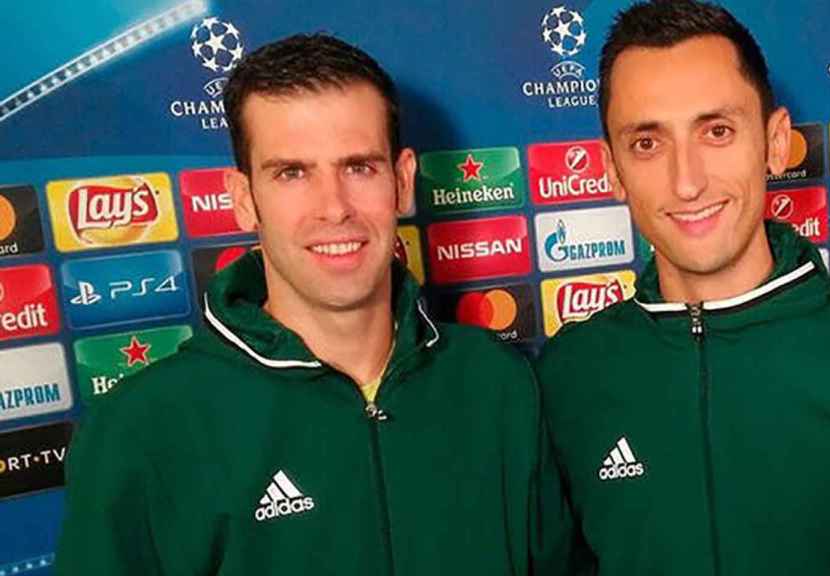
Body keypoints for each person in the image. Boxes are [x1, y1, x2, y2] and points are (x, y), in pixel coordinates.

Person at [535, 1, 830, 574]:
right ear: (612, 168)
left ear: (775, 142)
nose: (687, 181)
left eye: (716, 131)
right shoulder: (570, 375)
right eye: (648, 143)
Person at [57, 34, 574, 575]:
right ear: (241, 199)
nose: (333, 208)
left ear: (401, 181)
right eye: (292, 173)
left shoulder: (498, 383)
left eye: (358, 167)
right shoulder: (142, 430)